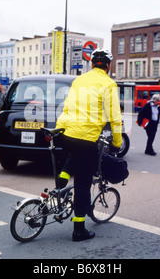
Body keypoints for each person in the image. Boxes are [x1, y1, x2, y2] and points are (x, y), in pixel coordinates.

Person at [55, 48, 122, 242]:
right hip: (86, 138)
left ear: (92, 64)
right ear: (108, 66)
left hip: (65, 133)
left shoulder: (78, 80)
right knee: (83, 184)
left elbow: (67, 107)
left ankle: (62, 177)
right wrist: (116, 143)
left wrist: (60, 129)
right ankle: (79, 230)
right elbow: (115, 118)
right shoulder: (109, 84)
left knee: (74, 153)